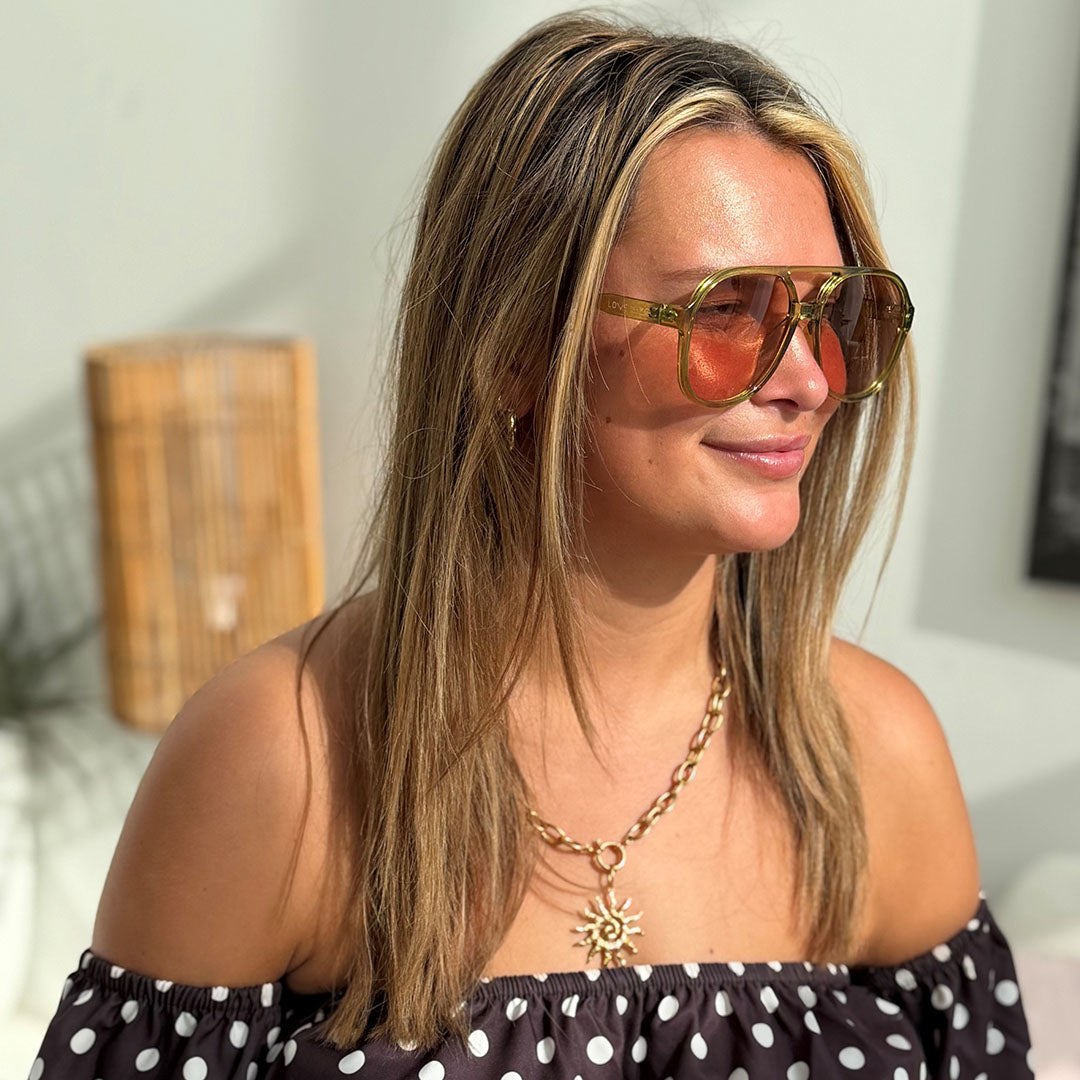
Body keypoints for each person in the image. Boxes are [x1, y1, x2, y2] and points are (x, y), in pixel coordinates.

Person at [28, 10, 1036, 1079]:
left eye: (834, 313)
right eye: (727, 311)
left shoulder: (873, 757)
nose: (809, 378)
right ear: (513, 346)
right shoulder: (288, 756)